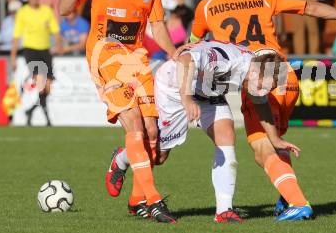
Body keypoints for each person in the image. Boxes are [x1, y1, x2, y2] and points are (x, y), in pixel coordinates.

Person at [190, 0, 336, 221]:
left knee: (262, 148)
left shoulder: (206, 6)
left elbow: (194, 46)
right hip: (287, 78)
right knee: (271, 146)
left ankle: (299, 202)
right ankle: (287, 196)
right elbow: (310, 8)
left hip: (258, 82)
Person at [58, 0, 177, 224]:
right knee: (135, 128)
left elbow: (158, 25)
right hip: (105, 55)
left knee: (155, 141)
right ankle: (153, 201)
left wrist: (174, 52)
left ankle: (130, 183)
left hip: (137, 57)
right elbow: (64, 9)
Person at [107, 40, 301, 222]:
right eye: (260, 86)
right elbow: (186, 59)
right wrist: (187, 99)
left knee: (226, 135)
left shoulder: (256, 76)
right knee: (158, 156)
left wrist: (275, 139)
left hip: (208, 93)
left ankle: (224, 211)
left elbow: (261, 104)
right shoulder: (228, 61)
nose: (260, 92)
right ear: (256, 70)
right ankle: (122, 158)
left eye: (266, 89)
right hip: (176, 88)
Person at [11, 0, 62, 126]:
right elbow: (16, 36)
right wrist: (13, 57)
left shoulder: (46, 11)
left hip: (45, 51)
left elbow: (56, 31)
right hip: (30, 50)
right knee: (41, 82)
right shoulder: (22, 12)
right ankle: (47, 119)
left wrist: (58, 45)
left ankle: (31, 111)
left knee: (47, 87)